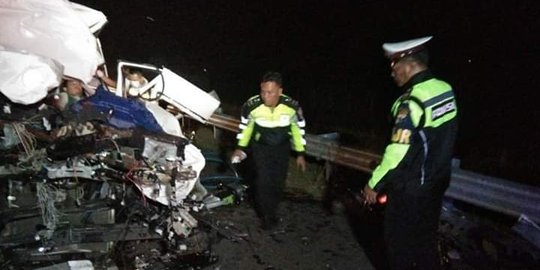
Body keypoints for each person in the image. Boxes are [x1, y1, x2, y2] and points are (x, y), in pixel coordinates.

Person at [362, 36, 458, 269]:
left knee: (399, 247)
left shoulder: (410, 102)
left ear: (409, 64)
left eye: (394, 65)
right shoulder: (445, 90)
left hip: (410, 189)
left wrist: (373, 185)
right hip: (436, 184)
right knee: (425, 244)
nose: (392, 72)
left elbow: (397, 153)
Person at [231, 71, 307, 230]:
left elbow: (297, 130)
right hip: (261, 148)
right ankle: (267, 216)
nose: (265, 96)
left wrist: (300, 153)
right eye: (263, 91)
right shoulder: (251, 105)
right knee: (263, 181)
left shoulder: (292, 106)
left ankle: (272, 209)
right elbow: (246, 129)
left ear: (280, 91)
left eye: (270, 92)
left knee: (278, 183)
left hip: (282, 149)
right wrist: (240, 148)